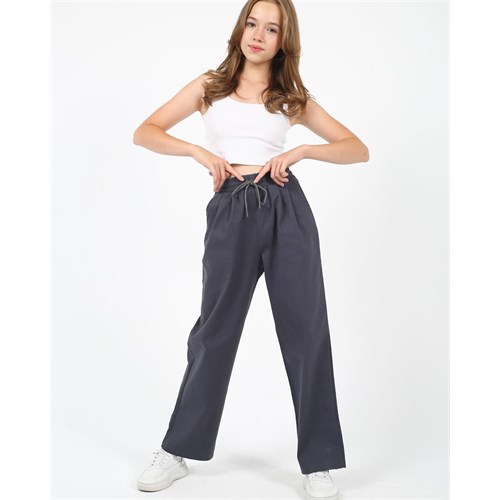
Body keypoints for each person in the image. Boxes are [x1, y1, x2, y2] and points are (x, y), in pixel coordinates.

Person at [133, 0, 369, 497]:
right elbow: (145, 132)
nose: (258, 35)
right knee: (213, 332)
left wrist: (303, 149)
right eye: (252, 24)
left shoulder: (291, 99)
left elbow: (357, 149)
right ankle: (177, 450)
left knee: (306, 332)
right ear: (240, 29)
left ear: (284, 40)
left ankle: (319, 462)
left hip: (286, 210)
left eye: (272, 28)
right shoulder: (209, 87)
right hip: (229, 209)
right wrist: (197, 151)